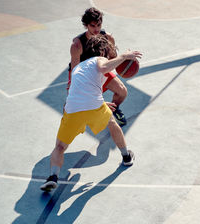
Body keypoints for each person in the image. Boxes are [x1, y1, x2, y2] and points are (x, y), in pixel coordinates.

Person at [41, 35, 142, 192]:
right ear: (102, 51)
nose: (113, 51)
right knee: (112, 123)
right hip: (93, 105)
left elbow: (81, 92)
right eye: (110, 49)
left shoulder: (78, 68)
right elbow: (103, 68)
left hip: (73, 108)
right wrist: (124, 56)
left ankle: (53, 176)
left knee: (60, 146)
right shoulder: (98, 60)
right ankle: (126, 157)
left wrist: (100, 103)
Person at [67, 7, 129, 127]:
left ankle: (112, 111)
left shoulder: (108, 38)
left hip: (100, 70)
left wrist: (124, 60)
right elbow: (75, 71)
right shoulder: (77, 45)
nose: (96, 29)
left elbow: (112, 59)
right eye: (92, 26)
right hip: (83, 75)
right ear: (86, 25)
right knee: (81, 105)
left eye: (99, 25)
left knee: (122, 91)